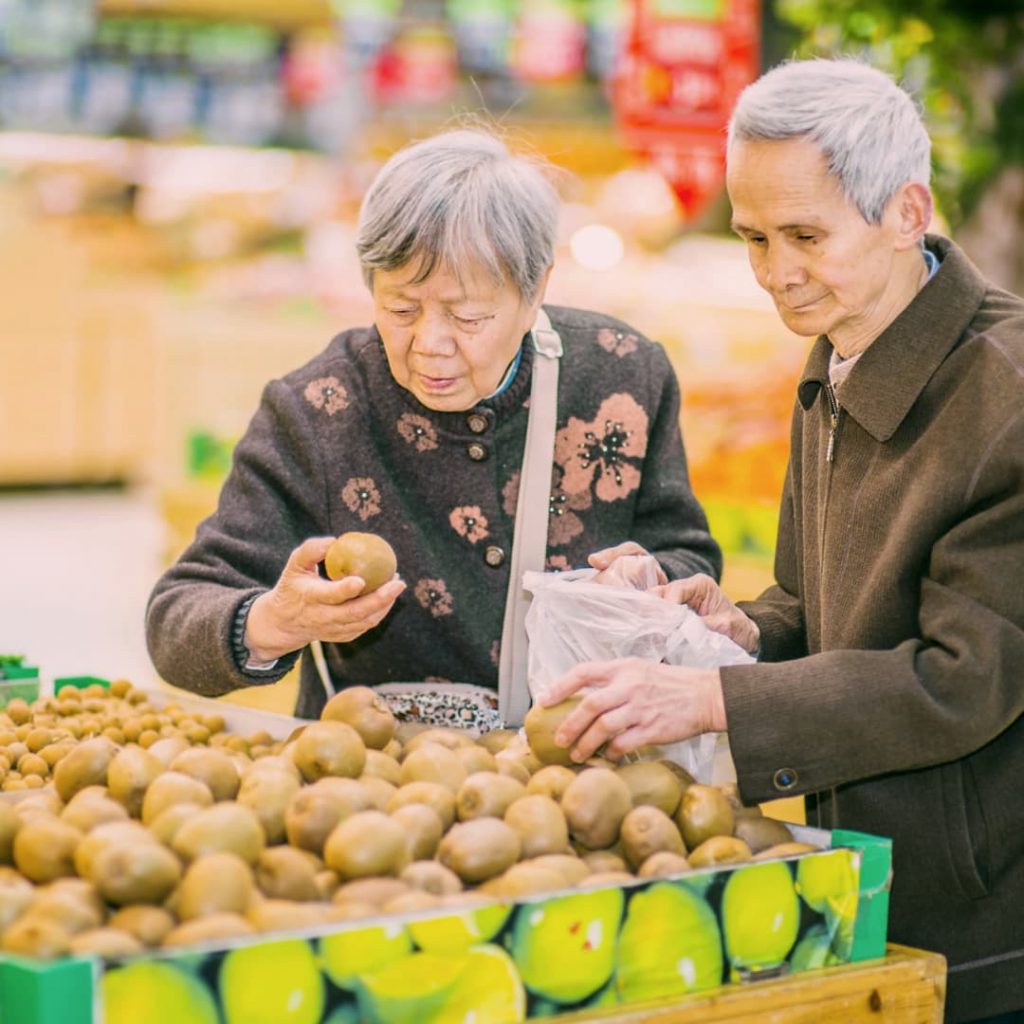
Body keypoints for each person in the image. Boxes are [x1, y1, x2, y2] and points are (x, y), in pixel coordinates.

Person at [542, 58, 1024, 1022]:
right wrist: (739, 628)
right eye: (754, 237)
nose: (774, 273)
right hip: (864, 871)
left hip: (985, 916)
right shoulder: (842, 356)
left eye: (805, 235)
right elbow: (818, 608)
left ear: (905, 212)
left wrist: (711, 696)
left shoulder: (1004, 396)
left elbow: (963, 676)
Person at [146, 127, 721, 729]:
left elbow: (690, 557)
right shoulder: (318, 410)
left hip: (584, 768)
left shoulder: (622, 375)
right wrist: (271, 623)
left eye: (468, 316)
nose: (430, 345)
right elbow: (175, 621)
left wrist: (650, 580)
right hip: (377, 782)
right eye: (400, 310)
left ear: (536, 292)